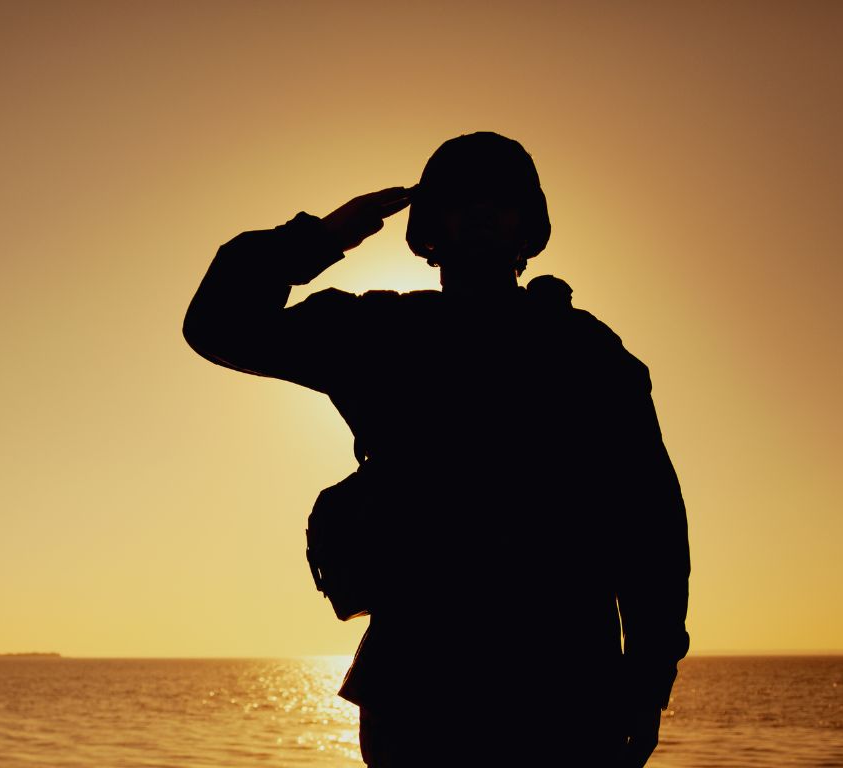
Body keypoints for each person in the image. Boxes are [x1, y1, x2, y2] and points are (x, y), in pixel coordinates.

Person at [183, 132, 689, 766]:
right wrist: (321, 237)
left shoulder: (589, 354)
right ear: (429, 226)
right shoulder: (380, 335)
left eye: (499, 199)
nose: (480, 211)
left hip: (564, 688)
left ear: (528, 224)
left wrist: (646, 685)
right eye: (459, 199)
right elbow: (217, 324)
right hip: (421, 691)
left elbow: (653, 531)